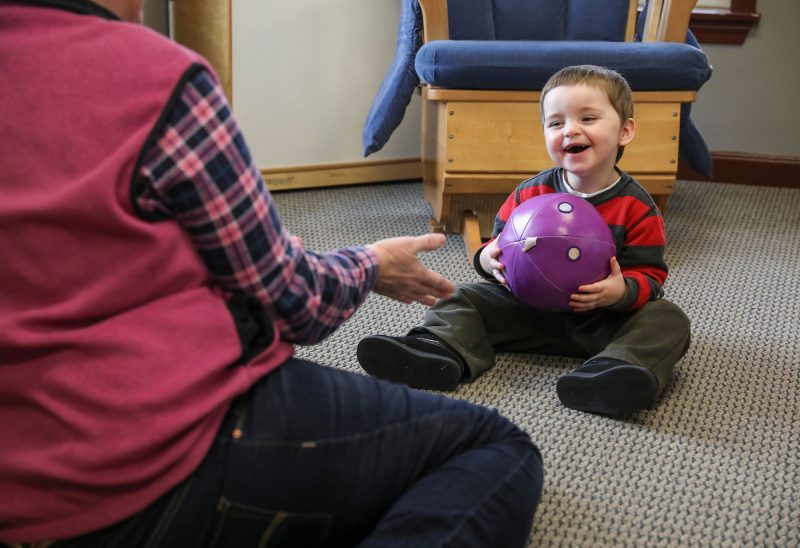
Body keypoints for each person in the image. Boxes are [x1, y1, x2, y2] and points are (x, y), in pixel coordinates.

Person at [0, 0, 545, 546]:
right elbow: (293, 300)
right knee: (497, 451)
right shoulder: (154, 77)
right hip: (142, 461)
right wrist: (371, 263)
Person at [358, 65, 692, 417]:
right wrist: (487, 259)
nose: (571, 130)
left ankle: (612, 371)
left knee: (668, 319)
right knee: (462, 295)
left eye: (588, 118)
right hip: (526, 311)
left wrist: (620, 291)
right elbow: (498, 246)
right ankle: (437, 350)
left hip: (600, 321)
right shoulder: (530, 193)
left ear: (625, 131)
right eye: (556, 123)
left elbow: (651, 278)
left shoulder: (637, 208)